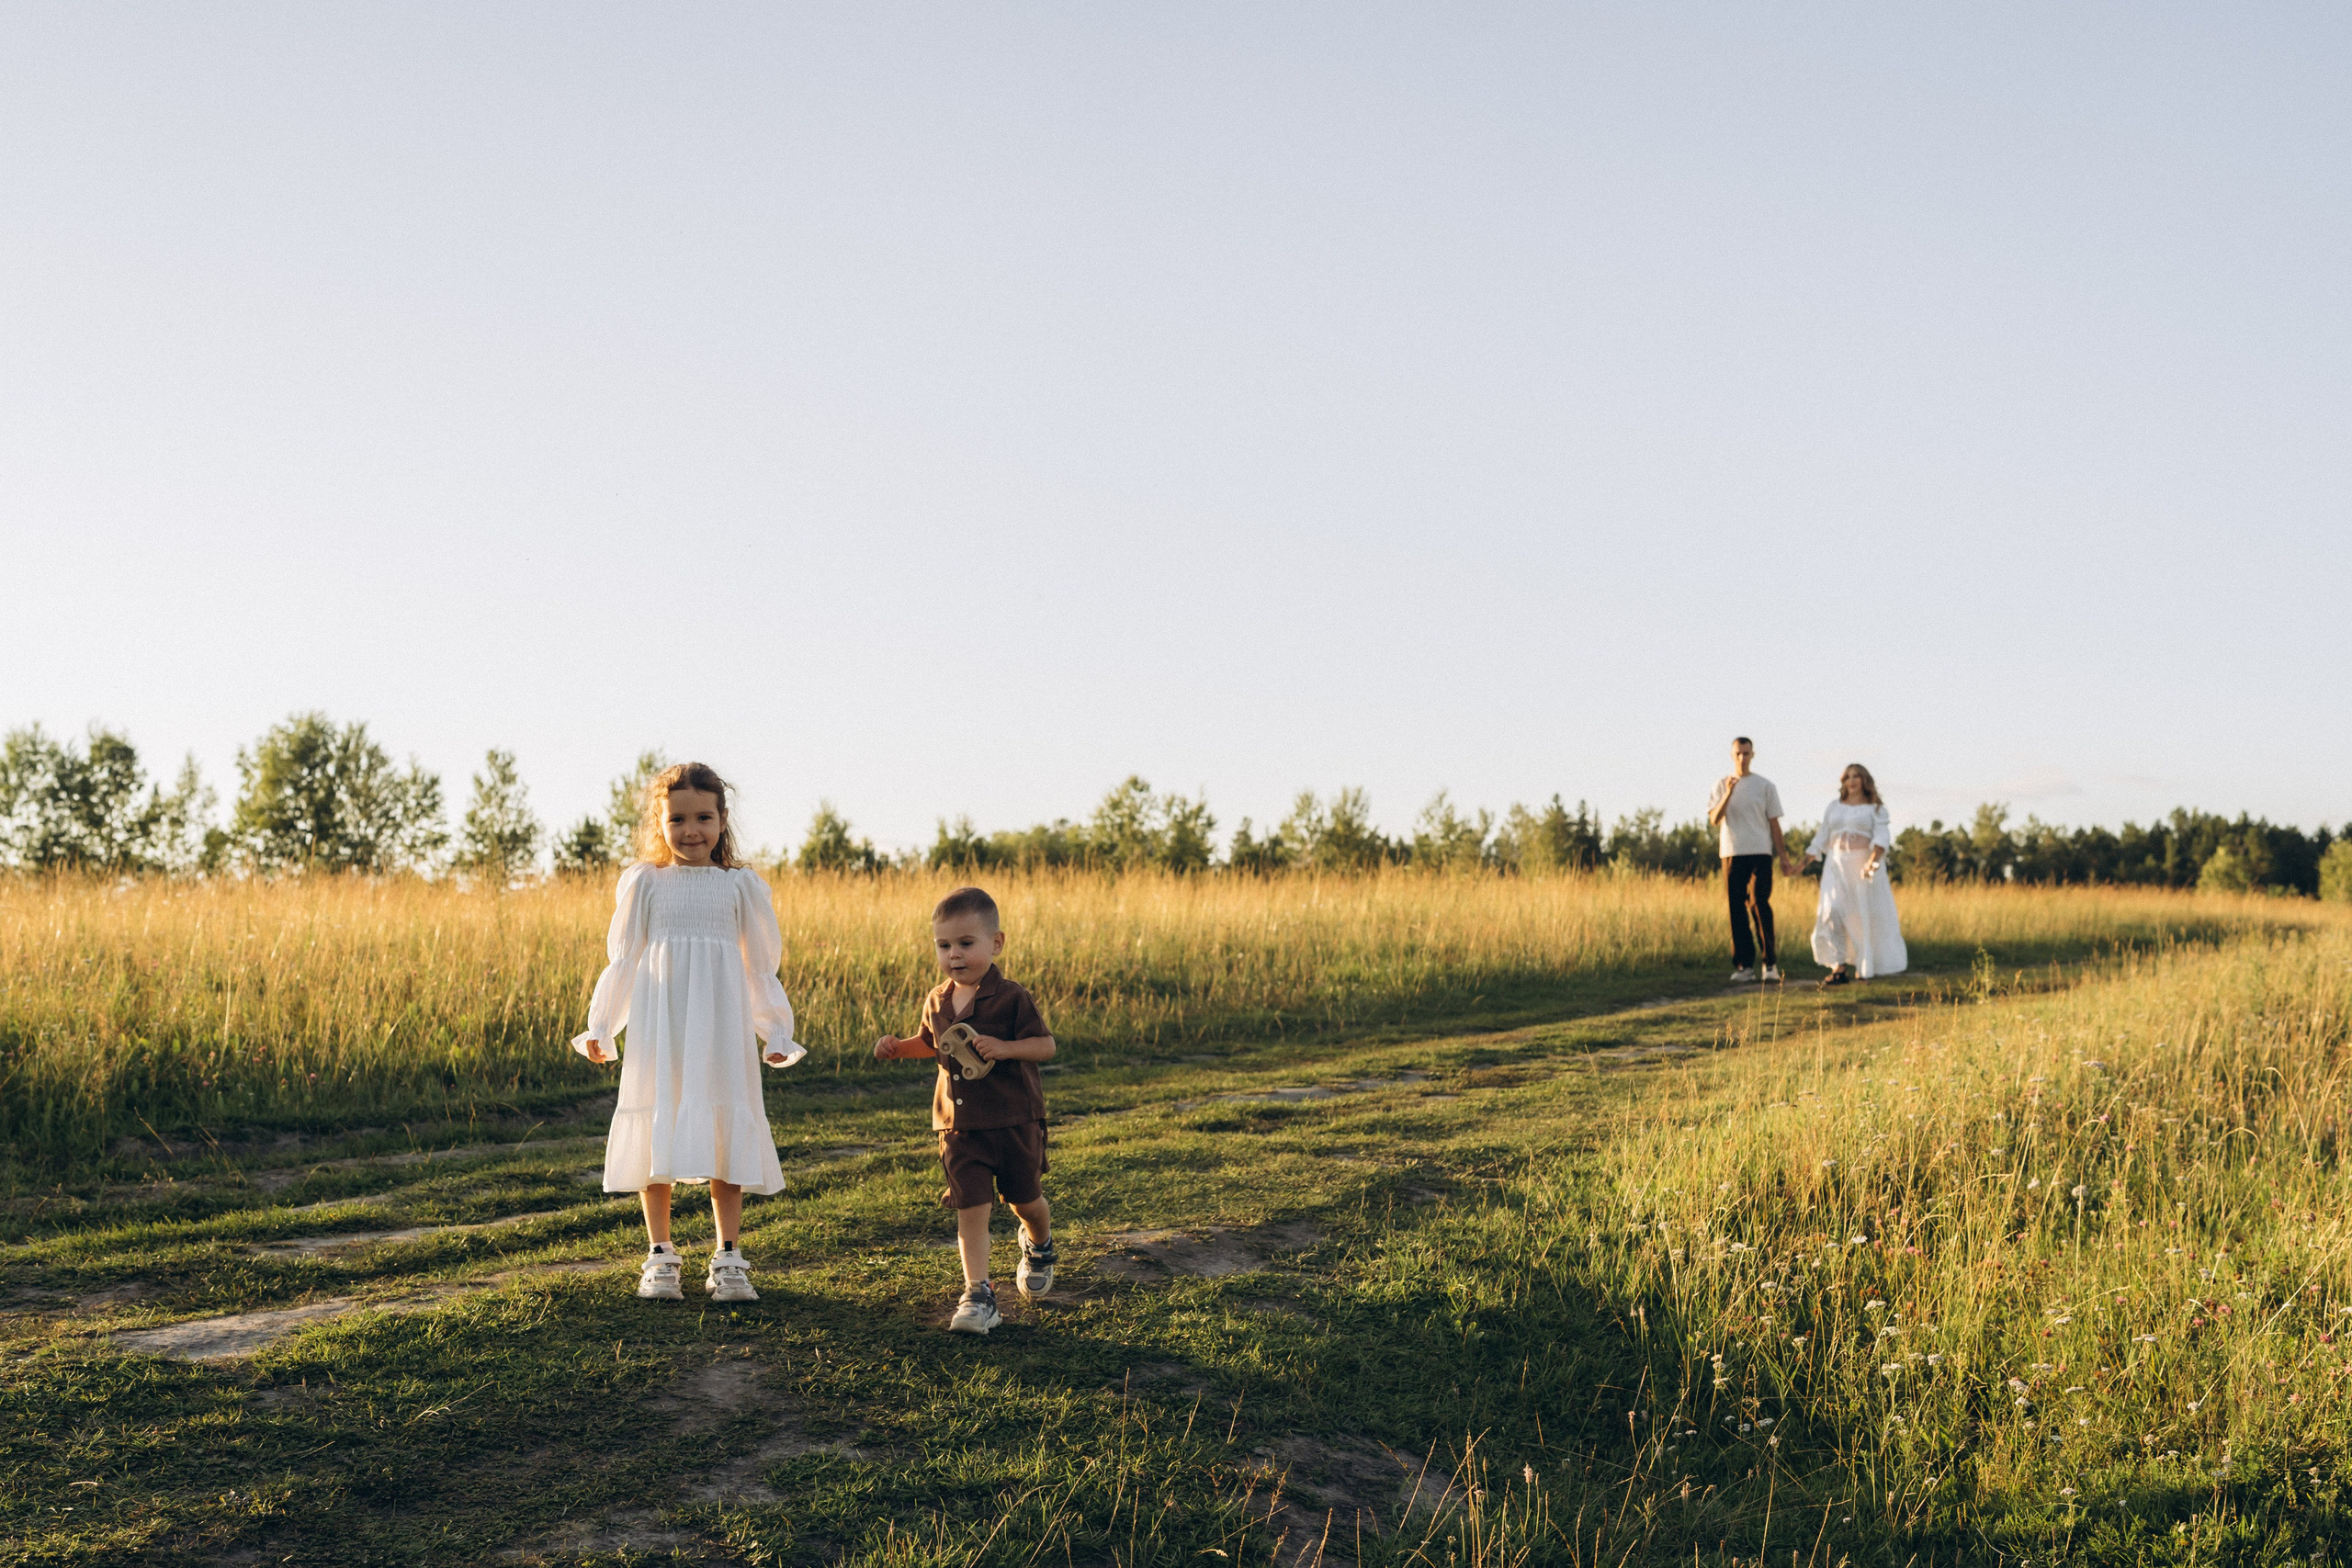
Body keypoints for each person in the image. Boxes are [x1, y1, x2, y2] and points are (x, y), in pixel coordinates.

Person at [572, 761, 806, 1305]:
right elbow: (625, 959)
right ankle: (661, 1255)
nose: (691, 830)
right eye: (678, 819)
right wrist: (601, 1025)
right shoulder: (645, 882)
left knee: (727, 1122)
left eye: (704, 816)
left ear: (723, 821)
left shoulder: (740, 887)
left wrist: (775, 1032)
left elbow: (758, 968)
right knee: (659, 1121)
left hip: (721, 1027)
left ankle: (728, 1256)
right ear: (661, 822)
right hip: (662, 1025)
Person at [873, 886, 1058, 1335]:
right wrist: (899, 1048)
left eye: (966, 944)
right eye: (944, 945)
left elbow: (1046, 1046)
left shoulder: (1013, 997)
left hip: (1013, 1121)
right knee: (970, 1206)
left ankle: (1040, 1241)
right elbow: (933, 1043)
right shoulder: (937, 1000)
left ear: (996, 944)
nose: (954, 955)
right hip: (959, 1128)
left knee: (1024, 1200)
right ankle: (978, 1292)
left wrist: (1006, 1047)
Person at [1804, 762, 1906, 983]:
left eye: (1856, 776)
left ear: (1864, 781)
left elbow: (1881, 838)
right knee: (1831, 911)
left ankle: (1864, 964)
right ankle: (1838, 966)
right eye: (1847, 777)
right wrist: (1803, 861)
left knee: (1860, 916)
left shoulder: (1875, 809)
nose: (1851, 781)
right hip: (1835, 865)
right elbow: (1822, 837)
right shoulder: (1834, 806)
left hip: (1861, 866)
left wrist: (1872, 862)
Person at [1707, 736, 1792, 983]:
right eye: (1738, 754)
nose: (1742, 758)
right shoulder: (1720, 784)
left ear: (1752, 755)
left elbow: (1774, 824)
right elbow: (1714, 819)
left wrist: (1783, 857)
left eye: (1746, 754)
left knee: (1759, 903)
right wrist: (1729, 792)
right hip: (1732, 852)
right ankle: (1744, 966)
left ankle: (1770, 964)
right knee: (1736, 908)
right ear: (1731, 756)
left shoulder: (1765, 786)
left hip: (1760, 852)